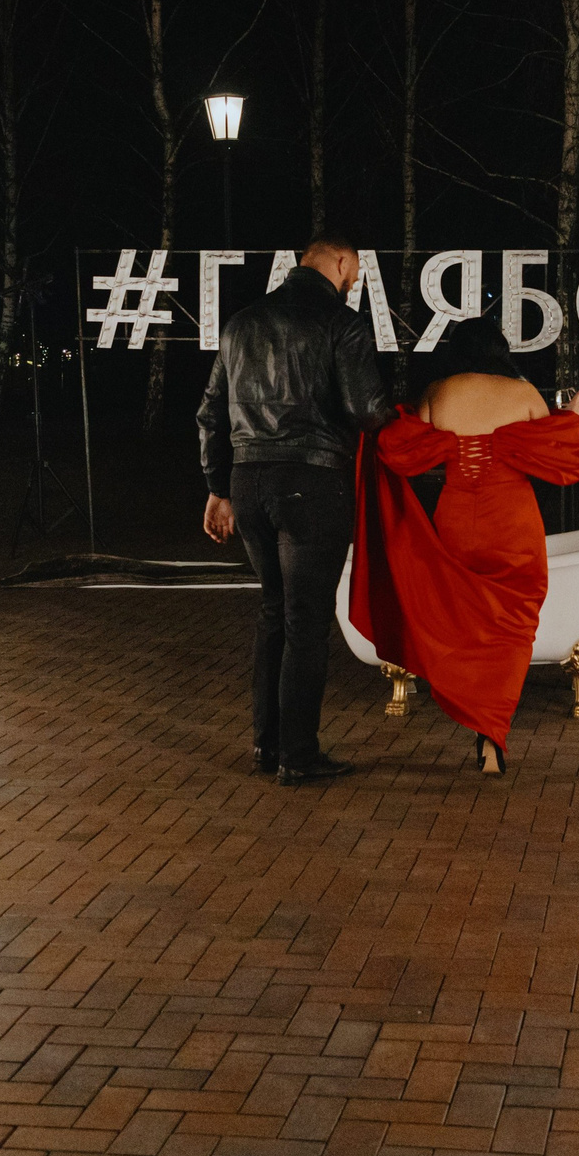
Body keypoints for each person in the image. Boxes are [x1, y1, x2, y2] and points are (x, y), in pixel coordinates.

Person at [350, 316, 579, 775]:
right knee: (512, 627)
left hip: (457, 519)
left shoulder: (438, 392)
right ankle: (491, 734)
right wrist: (572, 420)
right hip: (513, 523)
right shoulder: (522, 393)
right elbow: (562, 454)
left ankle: (474, 712)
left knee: (460, 618)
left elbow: (402, 452)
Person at [197, 239, 391, 785]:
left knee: (273, 612)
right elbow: (366, 409)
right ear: (343, 265)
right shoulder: (341, 322)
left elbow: (210, 411)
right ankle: (298, 755)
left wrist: (218, 486)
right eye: (353, 272)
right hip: (312, 480)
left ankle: (266, 746)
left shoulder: (241, 323)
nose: (352, 281)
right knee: (307, 621)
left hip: (248, 480)